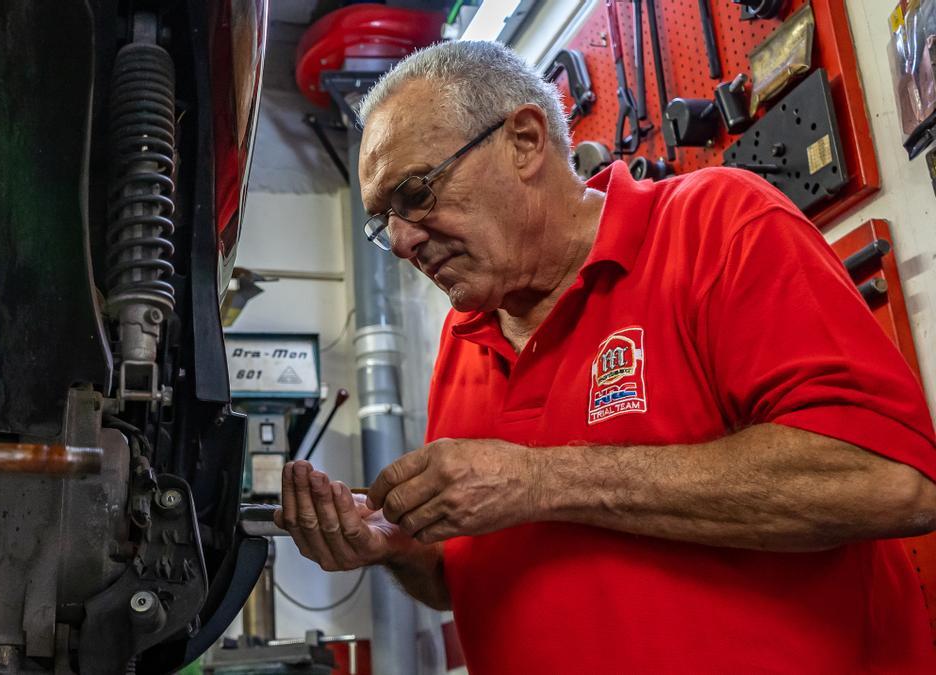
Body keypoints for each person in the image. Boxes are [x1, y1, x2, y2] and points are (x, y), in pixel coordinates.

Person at [274, 40, 936, 672]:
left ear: (525, 141)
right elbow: (470, 574)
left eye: (416, 194)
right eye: (382, 217)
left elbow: (889, 480)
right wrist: (398, 548)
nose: (399, 240)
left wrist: (542, 480)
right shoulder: (464, 338)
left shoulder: (717, 224)